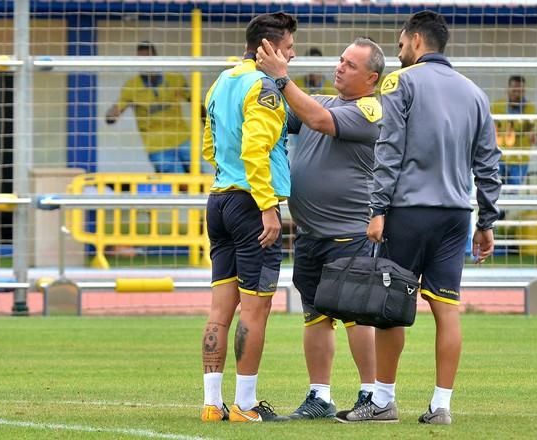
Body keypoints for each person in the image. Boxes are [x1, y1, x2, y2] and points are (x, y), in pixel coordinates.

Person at [336, 11, 501, 425]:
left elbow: (389, 149)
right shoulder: (475, 94)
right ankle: (441, 406)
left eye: (401, 42)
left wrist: (376, 209)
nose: (399, 48)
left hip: (408, 211)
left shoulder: (400, 82)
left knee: (390, 305)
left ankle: (383, 400)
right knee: (447, 308)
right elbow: (488, 164)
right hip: (455, 215)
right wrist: (486, 222)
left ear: (415, 41)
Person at [256, 37, 384, 419]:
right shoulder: (323, 103)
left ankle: (371, 396)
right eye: (341, 60)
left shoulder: (372, 109)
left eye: (351, 64)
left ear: (372, 78)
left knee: (356, 316)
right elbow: (287, 111)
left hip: (350, 234)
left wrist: (281, 77)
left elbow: (315, 119)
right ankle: (319, 397)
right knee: (314, 315)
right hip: (310, 236)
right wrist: (254, 74)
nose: (339, 67)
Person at [199, 12, 297, 423]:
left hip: (219, 200)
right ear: (269, 48)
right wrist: (267, 204)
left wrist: (230, 175)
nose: (291, 56)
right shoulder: (265, 87)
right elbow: (255, 151)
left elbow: (210, 145)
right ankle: (245, 404)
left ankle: (211, 403)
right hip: (251, 205)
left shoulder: (221, 82)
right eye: (288, 49)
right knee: (255, 311)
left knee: (219, 312)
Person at [105, 41, 195, 173]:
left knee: (199, 178)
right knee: (178, 184)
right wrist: (112, 114)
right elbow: (114, 113)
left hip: (183, 139)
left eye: (148, 58)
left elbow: (195, 102)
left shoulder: (175, 79)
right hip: (157, 146)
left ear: (156, 58)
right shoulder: (132, 86)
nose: (145, 63)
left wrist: (210, 125)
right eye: (141, 59)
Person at [491, 75, 537, 185]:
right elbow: (487, 125)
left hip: (520, 159)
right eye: (514, 90)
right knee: (495, 189)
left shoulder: (531, 108)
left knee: (513, 191)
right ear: (507, 90)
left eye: (520, 91)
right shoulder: (497, 106)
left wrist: (534, 131)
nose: (517, 94)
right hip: (499, 157)